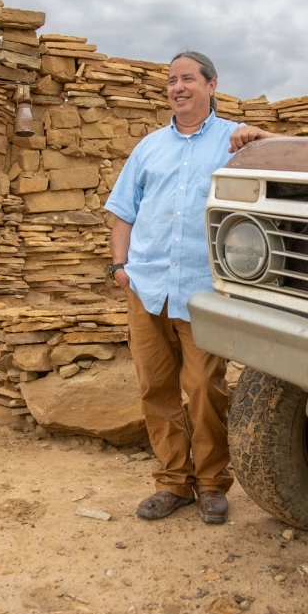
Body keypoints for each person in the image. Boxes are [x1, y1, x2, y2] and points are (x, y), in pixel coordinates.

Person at [104, 51, 274, 524]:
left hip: (204, 290)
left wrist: (266, 137)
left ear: (212, 84)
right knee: (155, 388)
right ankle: (173, 481)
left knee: (203, 387)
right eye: (172, 80)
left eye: (188, 79)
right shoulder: (149, 146)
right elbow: (122, 210)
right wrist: (120, 266)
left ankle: (213, 484)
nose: (178, 87)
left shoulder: (237, 140)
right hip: (148, 284)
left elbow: (299, 161)